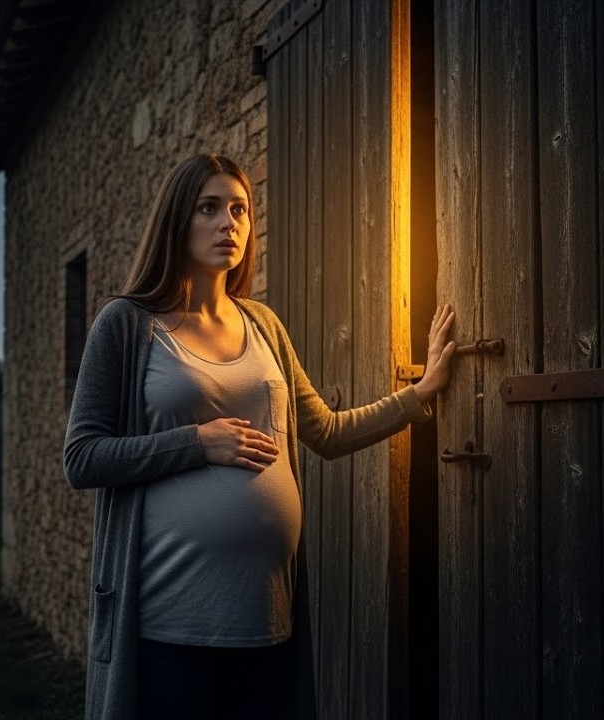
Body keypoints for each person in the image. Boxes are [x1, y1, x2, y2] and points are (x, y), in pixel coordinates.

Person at [63, 154, 458, 720]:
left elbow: (324, 430)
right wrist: (198, 442)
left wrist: (420, 394)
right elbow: (82, 457)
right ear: (177, 219)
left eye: (240, 209)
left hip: (265, 620)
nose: (229, 223)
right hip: (170, 625)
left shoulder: (263, 324)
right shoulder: (127, 325)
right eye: (209, 208)